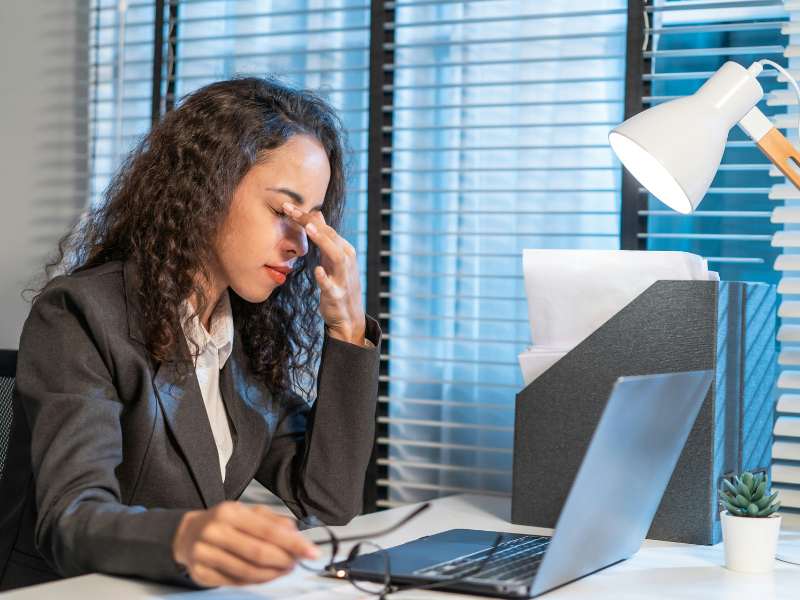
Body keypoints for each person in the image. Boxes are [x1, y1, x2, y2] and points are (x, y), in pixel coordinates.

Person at [0, 78, 380, 591]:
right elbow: (69, 519)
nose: (300, 246)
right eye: (282, 213)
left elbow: (326, 500)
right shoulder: (80, 313)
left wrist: (348, 329)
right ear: (207, 188)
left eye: (310, 224)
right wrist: (186, 536)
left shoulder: (242, 337)